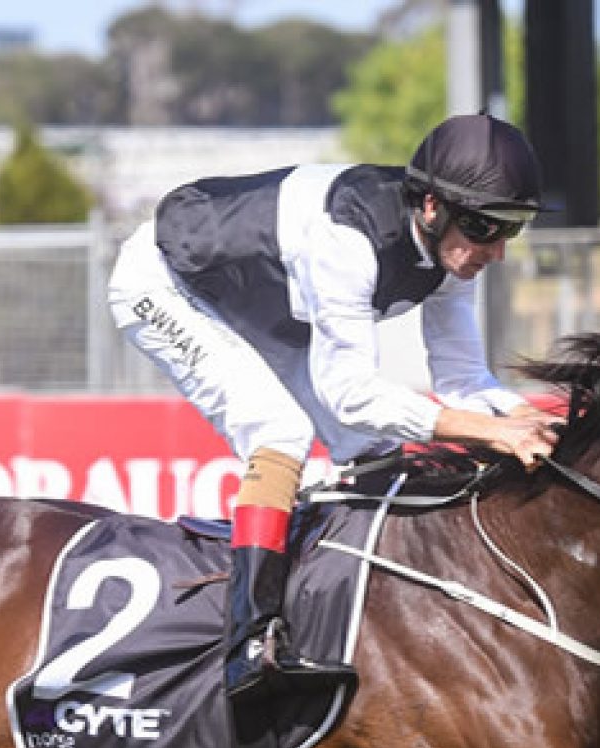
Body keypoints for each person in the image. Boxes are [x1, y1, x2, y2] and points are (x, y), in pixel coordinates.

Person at [107, 112, 562, 704]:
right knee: (279, 433)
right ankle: (250, 642)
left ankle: (361, 617)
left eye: (512, 228)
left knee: (373, 452)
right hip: (166, 284)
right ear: (430, 207)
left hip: (264, 304)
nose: (496, 251)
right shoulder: (347, 241)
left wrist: (525, 418)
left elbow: (463, 380)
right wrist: (488, 432)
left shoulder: (454, 247)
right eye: (485, 227)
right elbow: (350, 393)